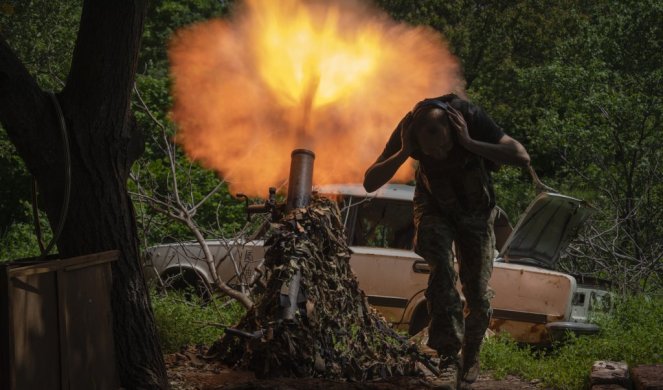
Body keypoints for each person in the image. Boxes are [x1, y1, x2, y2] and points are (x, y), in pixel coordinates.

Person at [363, 94, 530, 389]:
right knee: (441, 272)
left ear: (452, 129)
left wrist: (469, 143)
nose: (438, 154)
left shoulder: (469, 116)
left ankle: (471, 351)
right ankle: (448, 359)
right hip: (434, 207)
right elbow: (370, 182)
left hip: (476, 211)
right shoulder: (409, 129)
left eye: (443, 146)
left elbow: (520, 156)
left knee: (477, 291)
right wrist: (404, 152)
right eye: (430, 151)